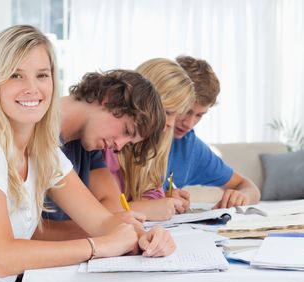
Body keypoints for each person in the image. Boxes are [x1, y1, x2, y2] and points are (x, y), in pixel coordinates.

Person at [0, 25, 175, 282]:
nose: (32, 88)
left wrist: (143, 235)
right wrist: (100, 246)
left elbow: (102, 220)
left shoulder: (43, 152)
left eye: (42, 75)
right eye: (15, 75)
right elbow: (3, 256)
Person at [40, 69, 166, 238]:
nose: (119, 146)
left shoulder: (89, 143)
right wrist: (108, 227)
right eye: (126, 130)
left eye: (128, 143)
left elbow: (112, 204)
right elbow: (24, 231)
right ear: (110, 97)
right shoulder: (35, 130)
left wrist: (116, 226)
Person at [104, 58, 195, 220]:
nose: (171, 124)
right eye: (167, 112)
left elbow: (151, 191)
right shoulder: (106, 142)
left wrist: (160, 201)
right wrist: (144, 208)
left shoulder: (152, 145)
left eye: (177, 115)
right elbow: (97, 213)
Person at [165, 55, 261, 208]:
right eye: (186, 111)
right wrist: (158, 200)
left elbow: (249, 187)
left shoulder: (189, 147)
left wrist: (242, 196)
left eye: (199, 115)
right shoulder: (129, 136)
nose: (189, 124)